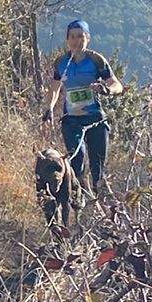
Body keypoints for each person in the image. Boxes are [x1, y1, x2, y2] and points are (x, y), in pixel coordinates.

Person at [44, 19, 122, 196]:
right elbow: (54, 88)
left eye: (80, 36)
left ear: (88, 38)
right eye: (72, 37)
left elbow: (117, 85)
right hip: (71, 121)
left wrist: (106, 89)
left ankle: (101, 207)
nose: (76, 40)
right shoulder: (61, 63)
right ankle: (81, 201)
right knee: (76, 163)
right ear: (67, 40)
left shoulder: (96, 60)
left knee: (98, 169)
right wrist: (49, 108)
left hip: (95, 120)